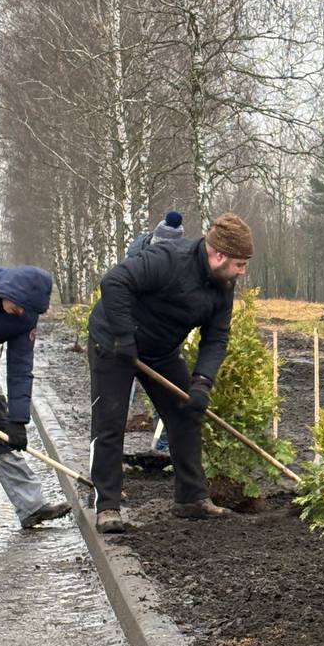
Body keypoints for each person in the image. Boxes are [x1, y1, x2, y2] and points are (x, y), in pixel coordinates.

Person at [87, 212, 253, 533]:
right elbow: (114, 281)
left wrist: (202, 382)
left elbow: (217, 337)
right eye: (239, 263)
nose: (242, 271)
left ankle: (191, 498)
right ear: (219, 255)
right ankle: (107, 506)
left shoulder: (223, 286)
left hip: (160, 351)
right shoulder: (169, 259)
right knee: (110, 421)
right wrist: (123, 336)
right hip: (113, 341)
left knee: (186, 413)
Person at [0, 263, 70, 529]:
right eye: (20, 305)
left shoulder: (25, 317)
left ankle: (32, 506)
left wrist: (18, 420)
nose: (21, 312)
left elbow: (21, 367)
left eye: (28, 310)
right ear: (8, 289)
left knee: (2, 438)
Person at [125, 210, 187, 453]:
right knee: (123, 386)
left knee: (168, 390)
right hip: (131, 329)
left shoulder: (177, 258)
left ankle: (164, 442)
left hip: (161, 333)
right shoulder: (139, 253)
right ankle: (118, 433)